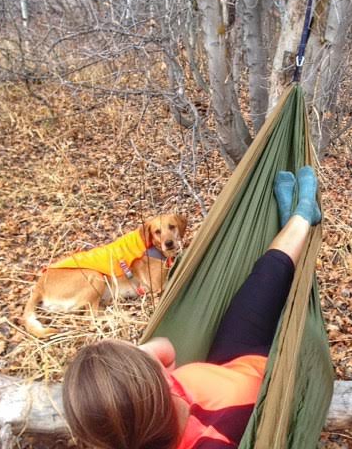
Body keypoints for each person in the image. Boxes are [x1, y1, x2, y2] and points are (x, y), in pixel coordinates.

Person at [61, 166, 322, 449]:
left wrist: (133, 368)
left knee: (268, 272)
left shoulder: (151, 402)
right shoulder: (209, 442)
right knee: (277, 282)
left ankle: (296, 222)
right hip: (276, 383)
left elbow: (164, 349)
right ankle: (303, 216)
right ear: (155, 393)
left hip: (231, 362)